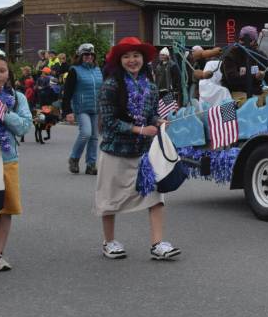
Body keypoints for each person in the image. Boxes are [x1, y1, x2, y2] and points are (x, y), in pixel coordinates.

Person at [95, 37, 180, 261]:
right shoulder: (111, 85)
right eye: (126, 56)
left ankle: (158, 243)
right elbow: (109, 121)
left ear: (143, 59)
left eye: (136, 55)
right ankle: (109, 241)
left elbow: (150, 114)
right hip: (115, 150)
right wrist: (140, 130)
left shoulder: (150, 86)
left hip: (144, 153)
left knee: (156, 196)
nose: (132, 60)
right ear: (119, 60)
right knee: (109, 200)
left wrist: (158, 121)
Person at [0, 41, 32, 271]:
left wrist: (4, 113)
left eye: (2, 70)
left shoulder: (17, 97)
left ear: (8, 73)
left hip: (7, 159)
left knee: (6, 209)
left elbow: (24, 127)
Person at [61, 43, 103, 175]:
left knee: (94, 137)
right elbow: (67, 92)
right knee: (86, 133)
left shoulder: (98, 69)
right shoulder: (74, 70)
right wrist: (67, 111)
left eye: (91, 54)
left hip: (96, 108)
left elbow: (102, 89)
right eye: (86, 54)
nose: (89, 57)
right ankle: (74, 158)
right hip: (81, 108)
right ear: (80, 56)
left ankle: (91, 165)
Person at [220, 25, 268, 102]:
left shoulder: (258, 54)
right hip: (236, 92)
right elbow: (232, 79)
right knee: (251, 104)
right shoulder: (231, 55)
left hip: (257, 92)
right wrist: (255, 77)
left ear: (254, 41)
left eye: (249, 40)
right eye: (241, 39)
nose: (243, 43)